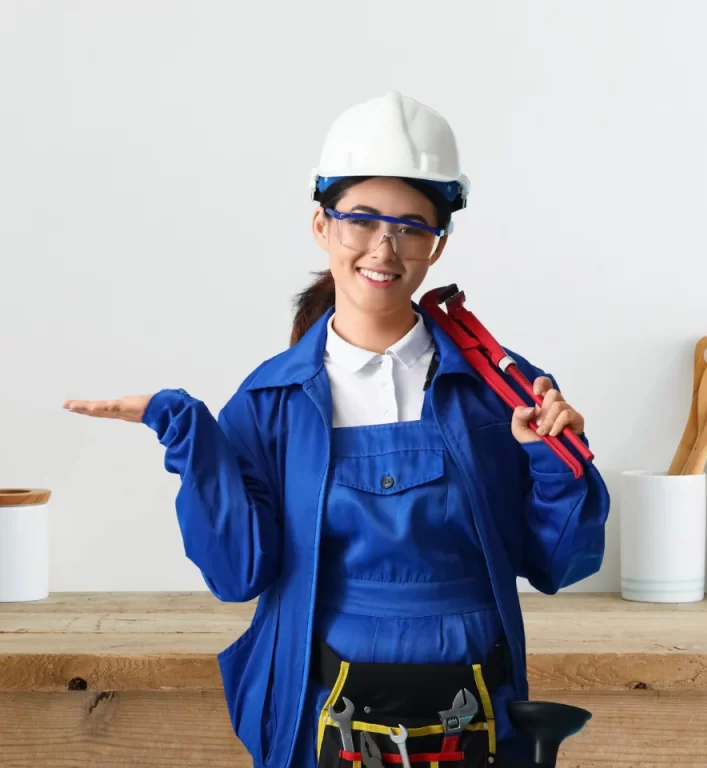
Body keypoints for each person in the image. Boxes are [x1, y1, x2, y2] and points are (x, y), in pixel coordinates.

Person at [64, 92, 610, 768]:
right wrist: (190, 438)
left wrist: (557, 462)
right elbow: (237, 575)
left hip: (480, 721)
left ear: (438, 244)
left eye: (412, 226)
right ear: (322, 226)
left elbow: (564, 564)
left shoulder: (502, 393)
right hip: (320, 716)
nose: (385, 247)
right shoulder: (270, 403)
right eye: (361, 219)